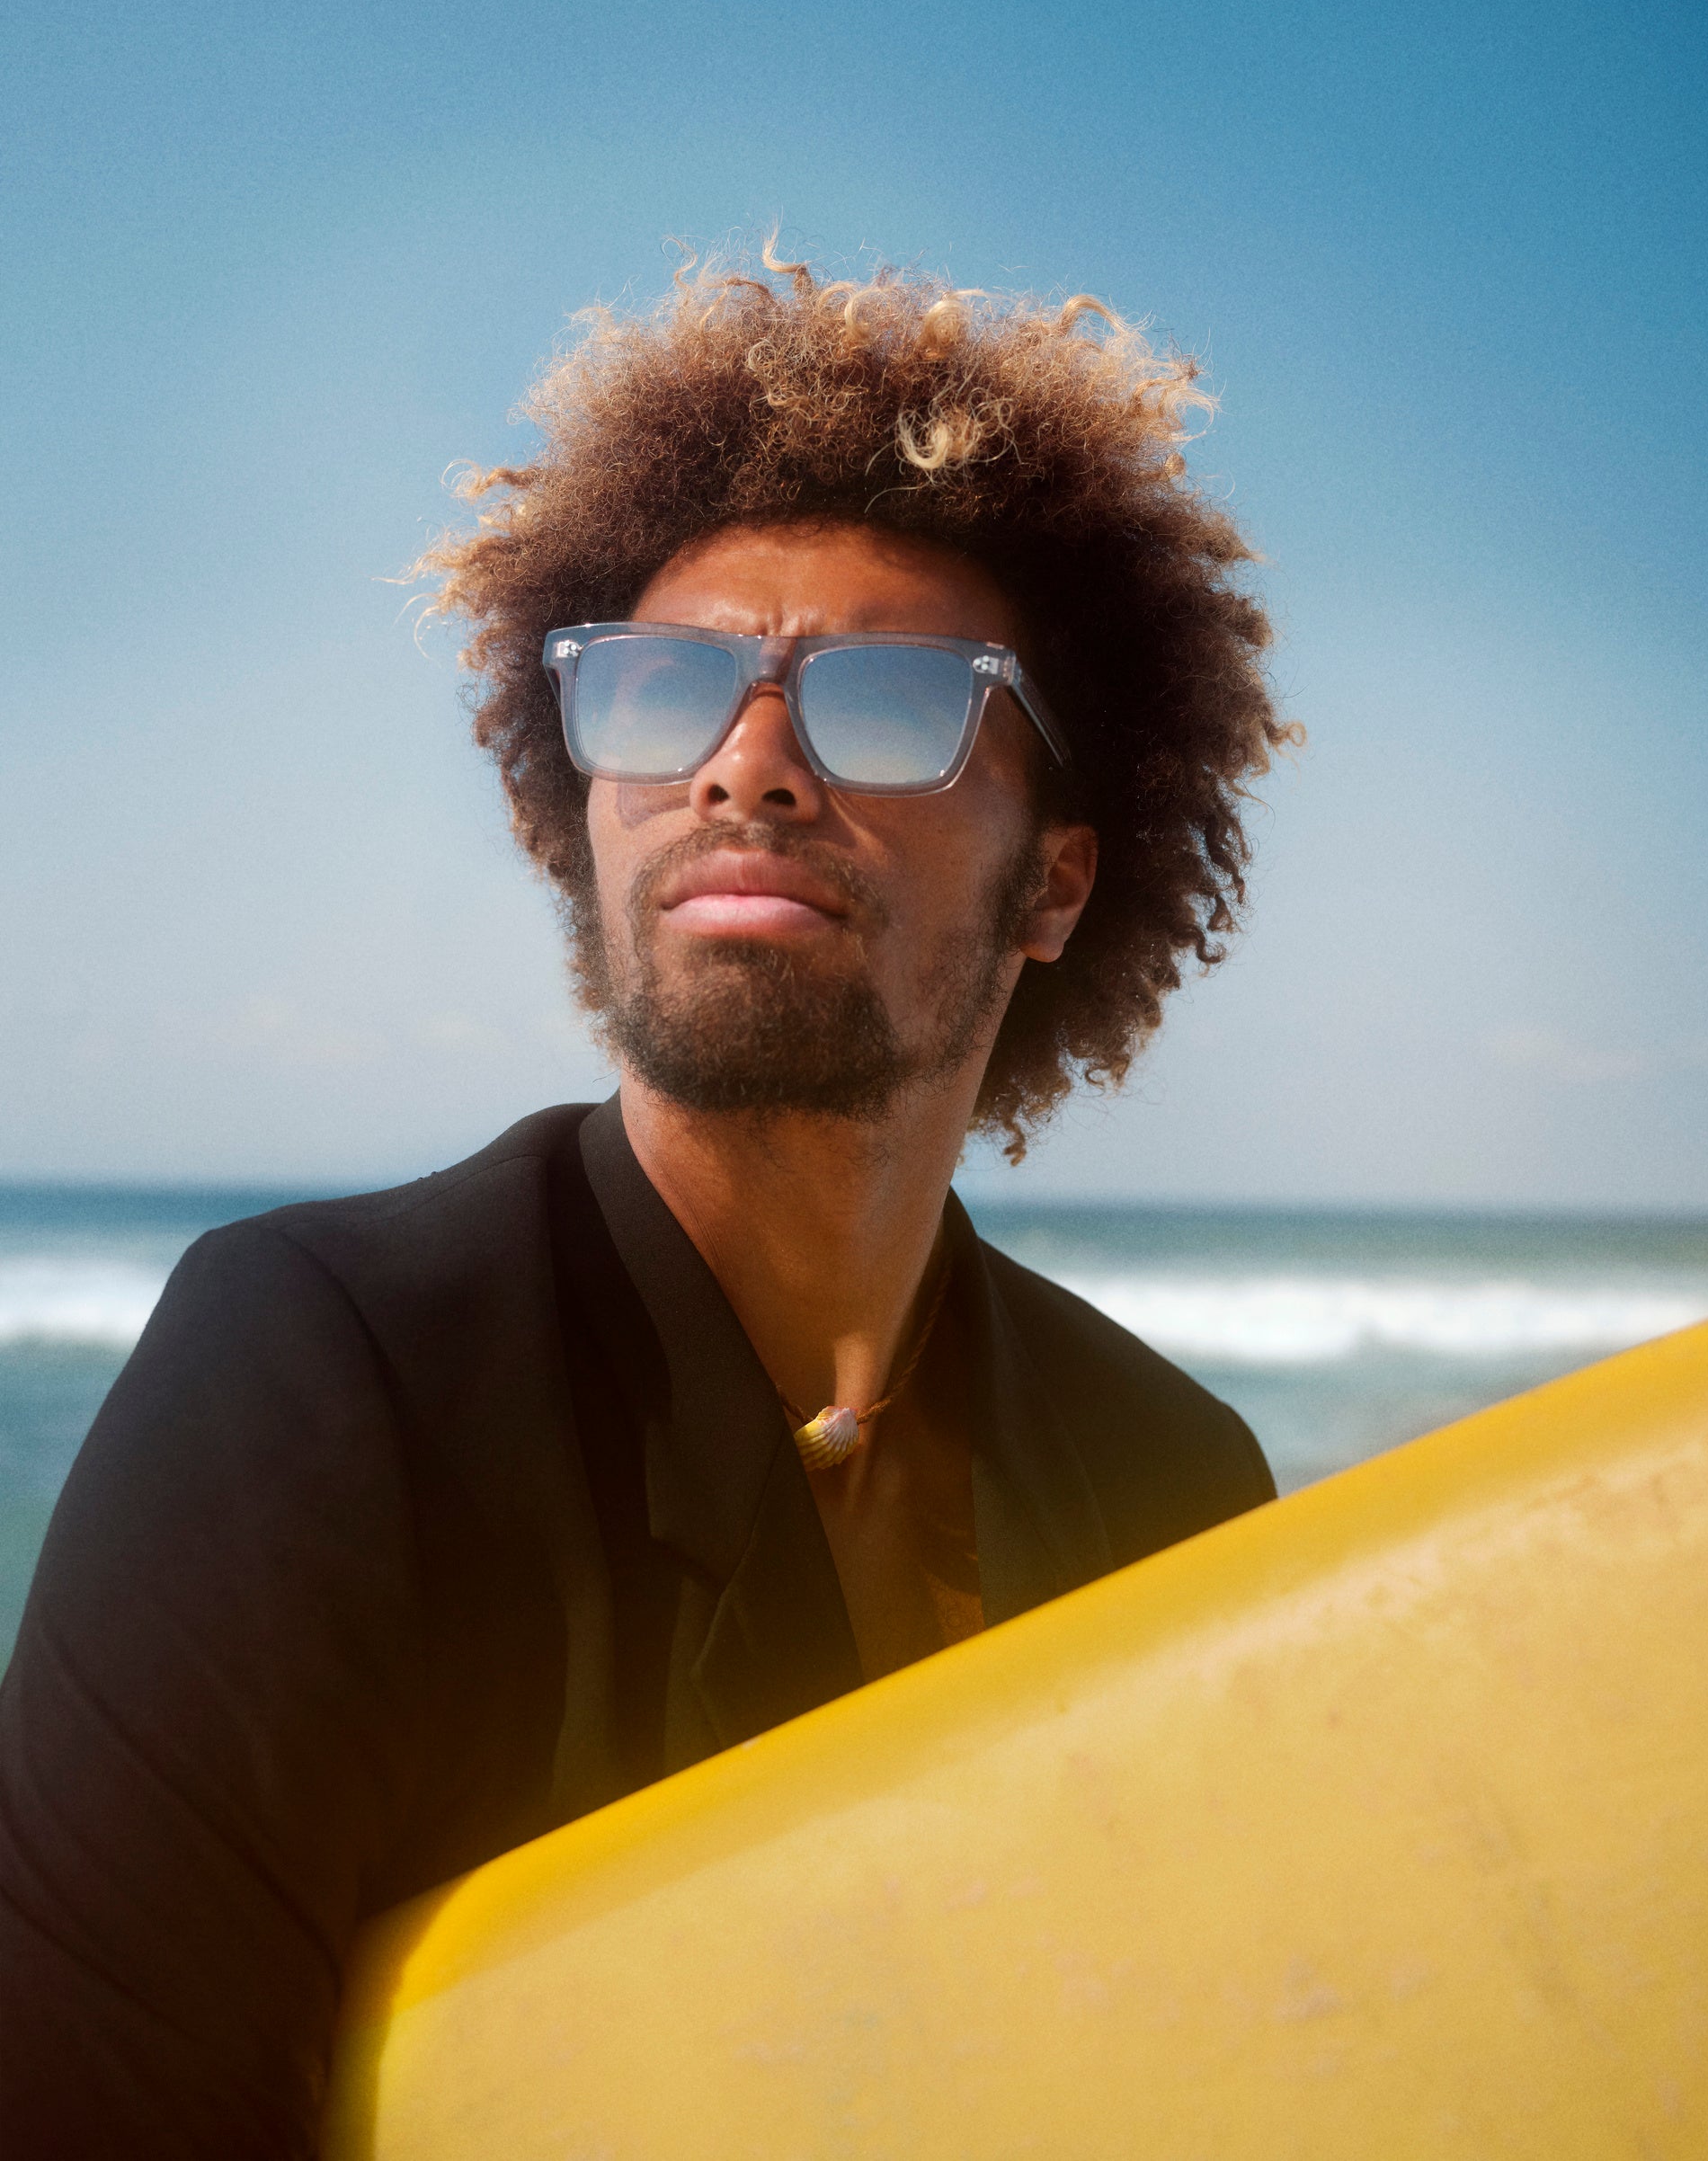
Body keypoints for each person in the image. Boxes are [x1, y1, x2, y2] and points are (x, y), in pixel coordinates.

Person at [0, 246, 1294, 2155]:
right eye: (665, 690)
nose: (744, 768)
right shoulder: (326, 1379)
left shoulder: (1166, 1482)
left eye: (888, 707)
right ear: (578, 803)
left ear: (1053, 884)